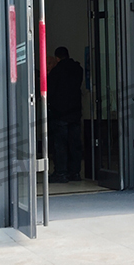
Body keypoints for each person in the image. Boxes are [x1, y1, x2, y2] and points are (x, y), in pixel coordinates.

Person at [48, 46, 83, 183]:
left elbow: (51, 92)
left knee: (60, 145)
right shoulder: (78, 69)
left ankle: (61, 173)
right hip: (75, 112)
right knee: (75, 145)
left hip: (60, 114)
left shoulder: (56, 72)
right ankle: (75, 173)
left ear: (57, 58)